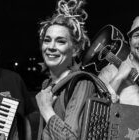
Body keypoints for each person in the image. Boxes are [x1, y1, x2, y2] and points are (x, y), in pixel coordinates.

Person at [35, 0, 101, 139]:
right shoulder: (46, 85)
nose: (51, 47)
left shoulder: (81, 83)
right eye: (47, 40)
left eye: (61, 41)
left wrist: (46, 109)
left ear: (75, 50)